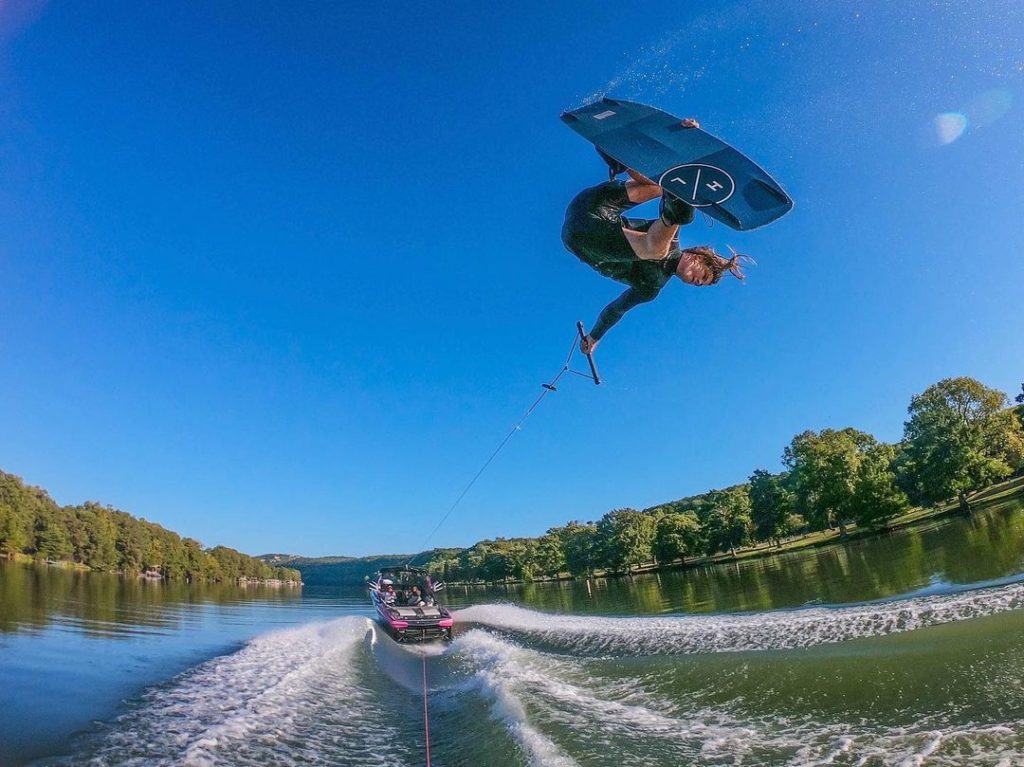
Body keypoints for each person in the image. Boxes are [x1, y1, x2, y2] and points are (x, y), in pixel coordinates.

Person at [561, 118, 752, 353]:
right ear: (697, 256)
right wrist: (686, 139)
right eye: (701, 275)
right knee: (662, 185)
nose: (695, 282)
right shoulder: (670, 236)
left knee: (659, 242)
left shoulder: (651, 287)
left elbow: (616, 309)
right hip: (590, 206)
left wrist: (594, 336)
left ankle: (683, 191)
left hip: (584, 240)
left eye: (699, 284)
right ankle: (621, 157)